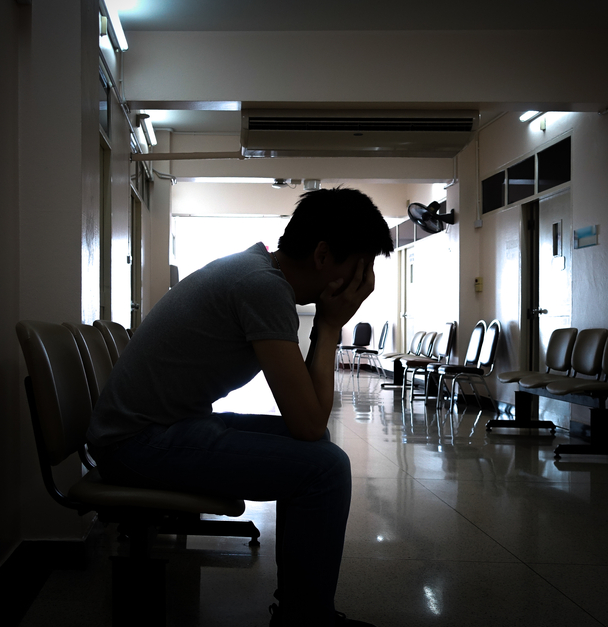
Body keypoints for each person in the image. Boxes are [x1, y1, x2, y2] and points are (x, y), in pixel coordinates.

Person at [87, 187, 394, 627]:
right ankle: (306, 620)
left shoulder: (260, 273)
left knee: (319, 453)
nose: (364, 284)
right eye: (360, 268)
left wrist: (326, 326)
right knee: (325, 467)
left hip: (153, 429)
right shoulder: (262, 287)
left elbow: (309, 419)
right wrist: (328, 325)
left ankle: (300, 610)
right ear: (324, 256)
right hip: (137, 443)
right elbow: (308, 421)